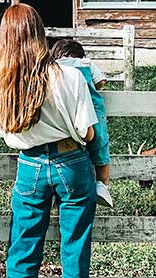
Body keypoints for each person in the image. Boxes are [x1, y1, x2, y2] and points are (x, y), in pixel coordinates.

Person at [0, 3, 98, 278]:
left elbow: (2, 131)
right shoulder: (70, 76)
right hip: (71, 162)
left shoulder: (2, 81)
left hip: (30, 165)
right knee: (74, 250)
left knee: (22, 252)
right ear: (40, 33)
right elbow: (87, 131)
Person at [47, 38, 114, 207]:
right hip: (92, 109)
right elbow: (100, 82)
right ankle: (102, 184)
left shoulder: (51, 66)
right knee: (100, 143)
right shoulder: (86, 63)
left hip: (62, 111)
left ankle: (57, 189)